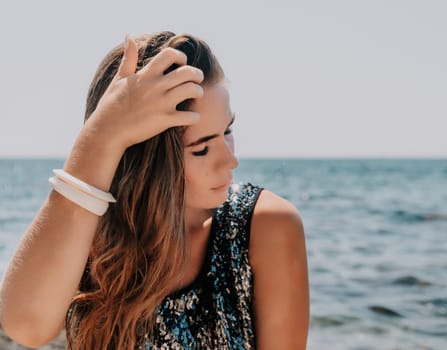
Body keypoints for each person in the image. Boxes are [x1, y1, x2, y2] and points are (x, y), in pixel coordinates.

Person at [0, 31, 309, 349]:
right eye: (201, 149)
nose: (230, 161)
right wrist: (101, 136)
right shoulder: (88, 232)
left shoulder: (261, 227)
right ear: (147, 162)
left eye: (227, 130)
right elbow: (26, 327)